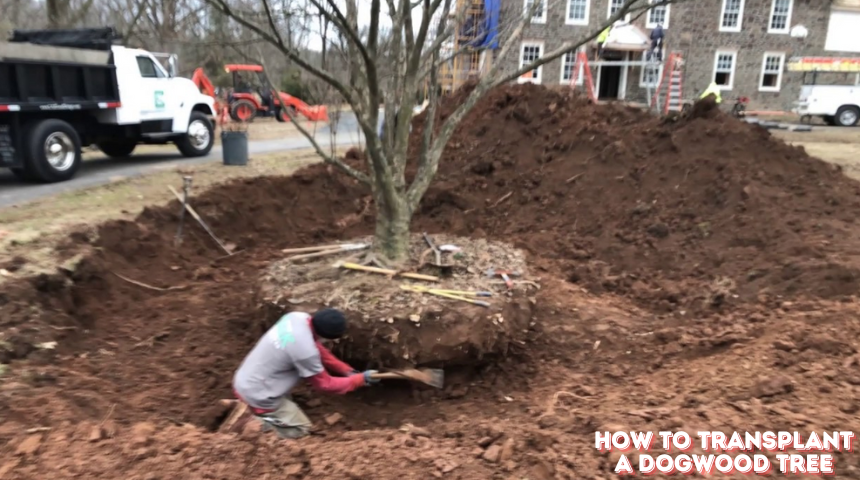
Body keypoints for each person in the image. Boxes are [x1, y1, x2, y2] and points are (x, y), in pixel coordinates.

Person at [232, 308, 378, 439]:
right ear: (329, 336)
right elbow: (325, 385)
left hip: (245, 379)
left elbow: (317, 349)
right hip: (258, 395)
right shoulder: (305, 353)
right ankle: (251, 424)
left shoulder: (296, 317)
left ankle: (246, 409)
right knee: (301, 430)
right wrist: (359, 380)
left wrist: (345, 370)